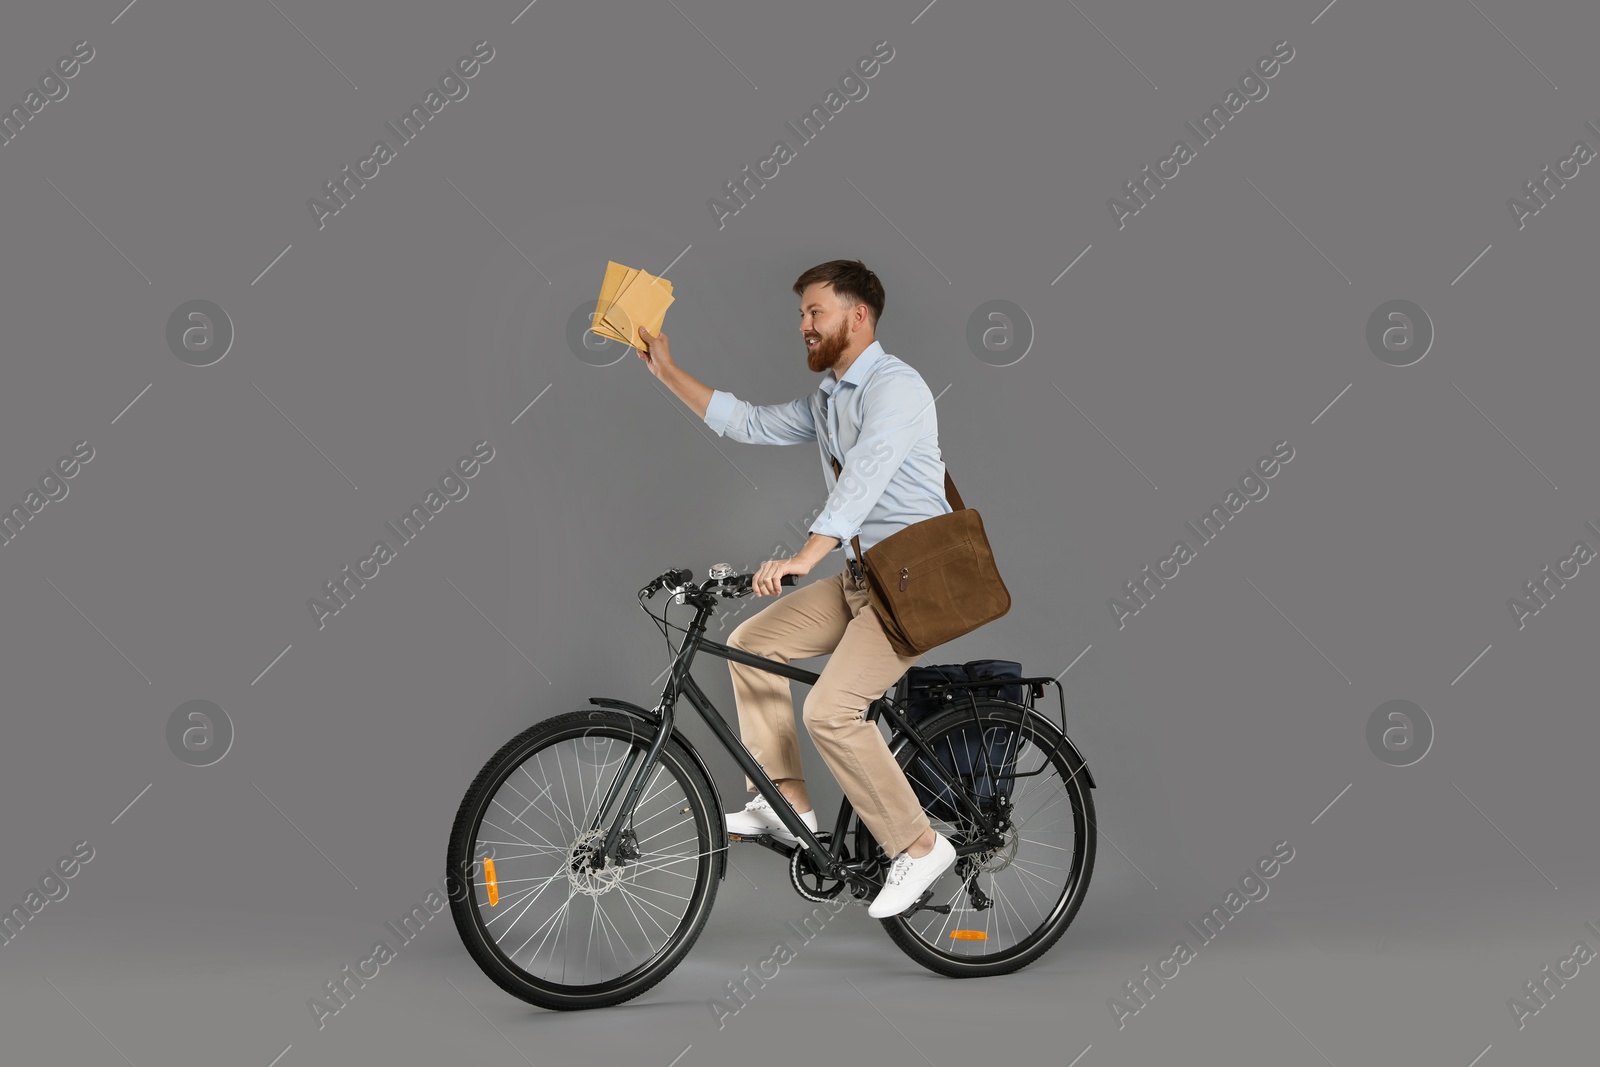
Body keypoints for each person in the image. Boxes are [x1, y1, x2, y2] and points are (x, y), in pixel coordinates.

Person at [636, 258, 957, 918]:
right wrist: (666, 370)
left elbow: (860, 481)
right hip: (870, 576)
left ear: (857, 315)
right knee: (758, 641)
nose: (804, 326)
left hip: (920, 579)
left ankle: (921, 846)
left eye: (815, 312)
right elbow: (749, 422)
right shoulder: (830, 398)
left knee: (831, 712)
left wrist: (804, 556)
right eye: (802, 315)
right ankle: (789, 807)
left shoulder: (896, 387)